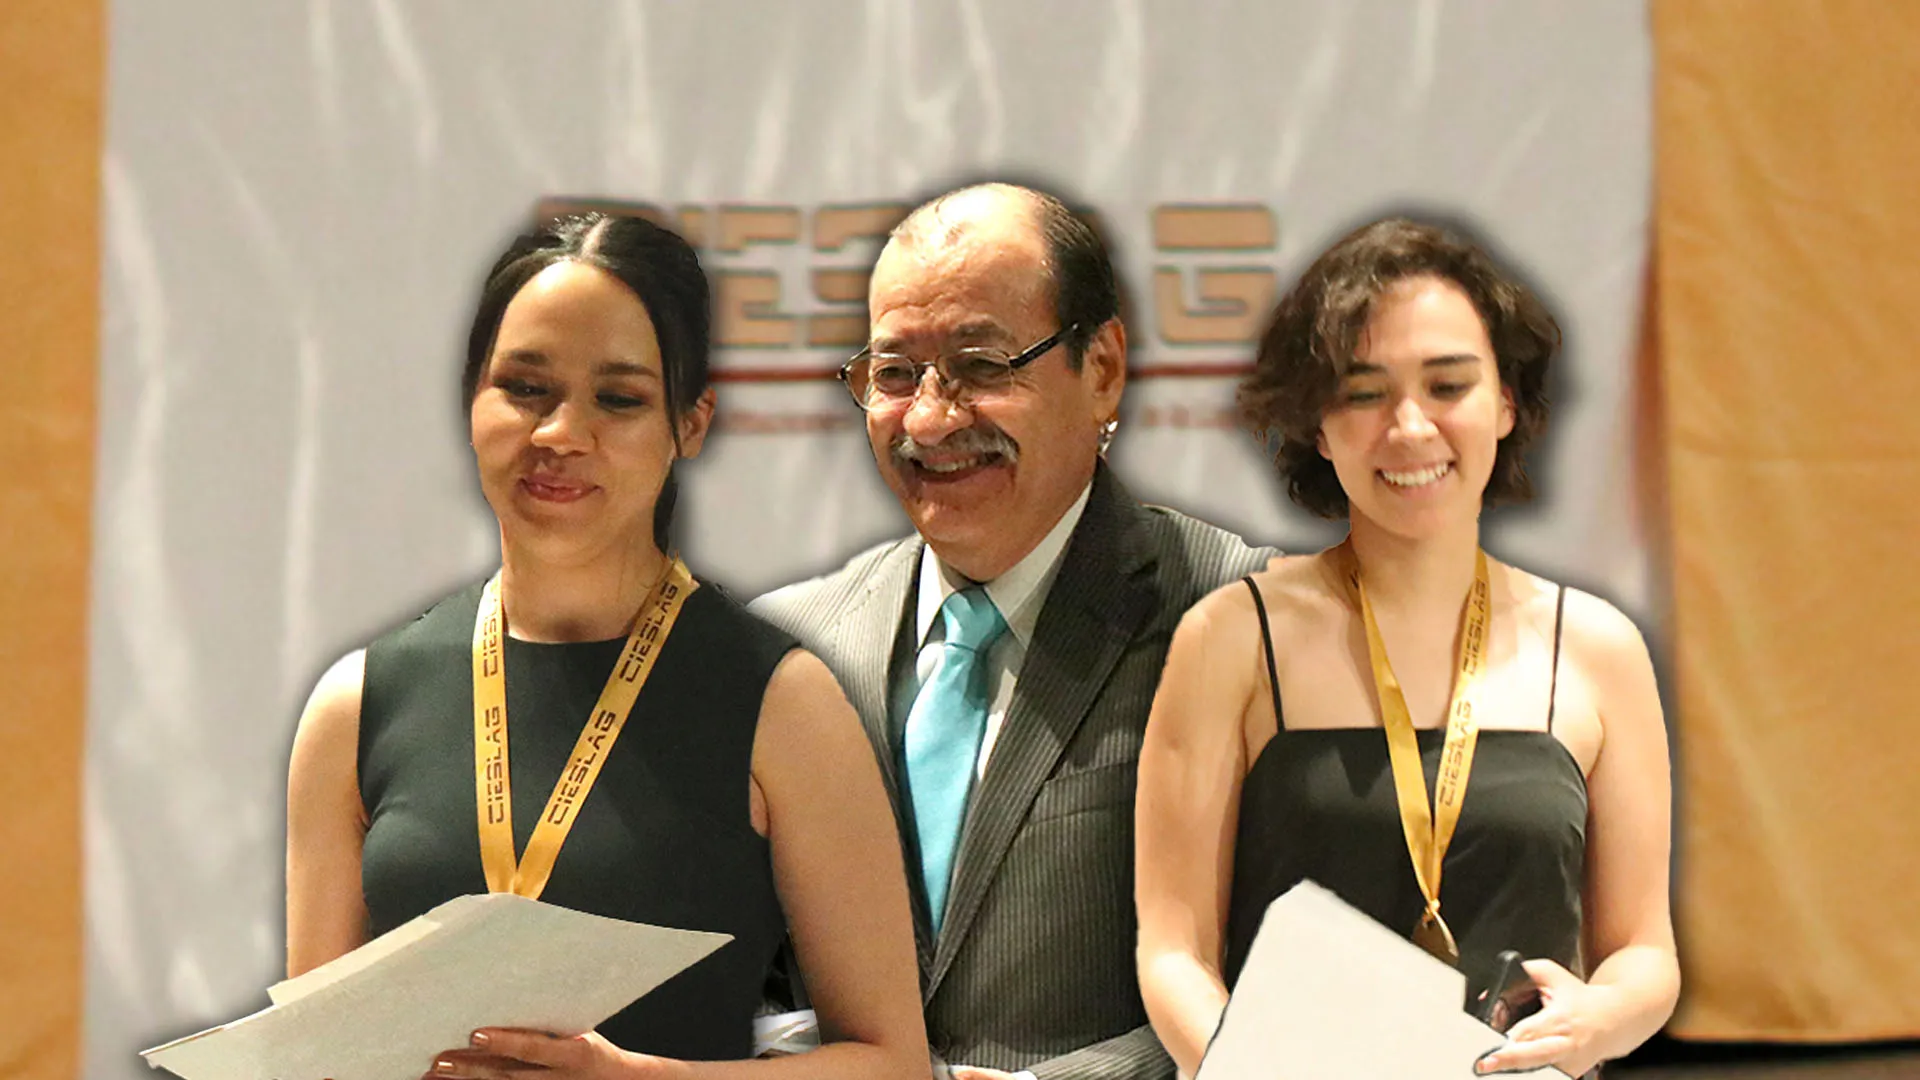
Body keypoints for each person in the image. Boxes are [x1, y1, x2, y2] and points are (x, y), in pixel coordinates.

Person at [284, 212, 928, 1080]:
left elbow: (890, 1063)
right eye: (524, 387)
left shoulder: (781, 703)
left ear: (691, 424)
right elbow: (308, 1064)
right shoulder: (358, 705)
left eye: (618, 399)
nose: (560, 433)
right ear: (471, 401)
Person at [1134, 217, 1680, 1078]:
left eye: (1448, 384)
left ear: (1506, 403)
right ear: (1318, 425)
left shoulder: (1597, 647)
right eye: (1364, 393)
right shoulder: (1233, 639)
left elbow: (1644, 952)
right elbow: (1173, 951)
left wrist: (1601, 1019)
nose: (1411, 426)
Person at [751, 182, 1275, 1080]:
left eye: (983, 366)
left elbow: (1290, 973)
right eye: (894, 374)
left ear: (1101, 368)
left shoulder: (1246, 616)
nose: (930, 420)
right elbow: (742, 971)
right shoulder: (791, 646)